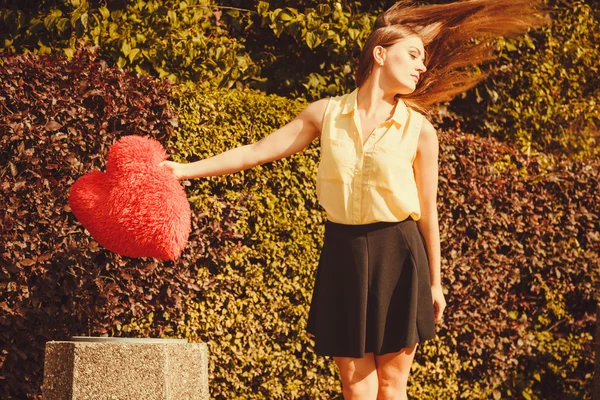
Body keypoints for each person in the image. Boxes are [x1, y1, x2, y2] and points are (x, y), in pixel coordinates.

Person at [160, 1, 546, 398]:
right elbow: (256, 150)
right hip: (343, 253)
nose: (422, 67)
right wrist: (186, 169)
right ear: (380, 54)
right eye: (413, 54)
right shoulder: (324, 115)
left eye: (424, 59)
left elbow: (428, 212)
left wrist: (436, 282)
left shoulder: (420, 130)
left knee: (392, 387)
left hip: (400, 254)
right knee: (355, 388)